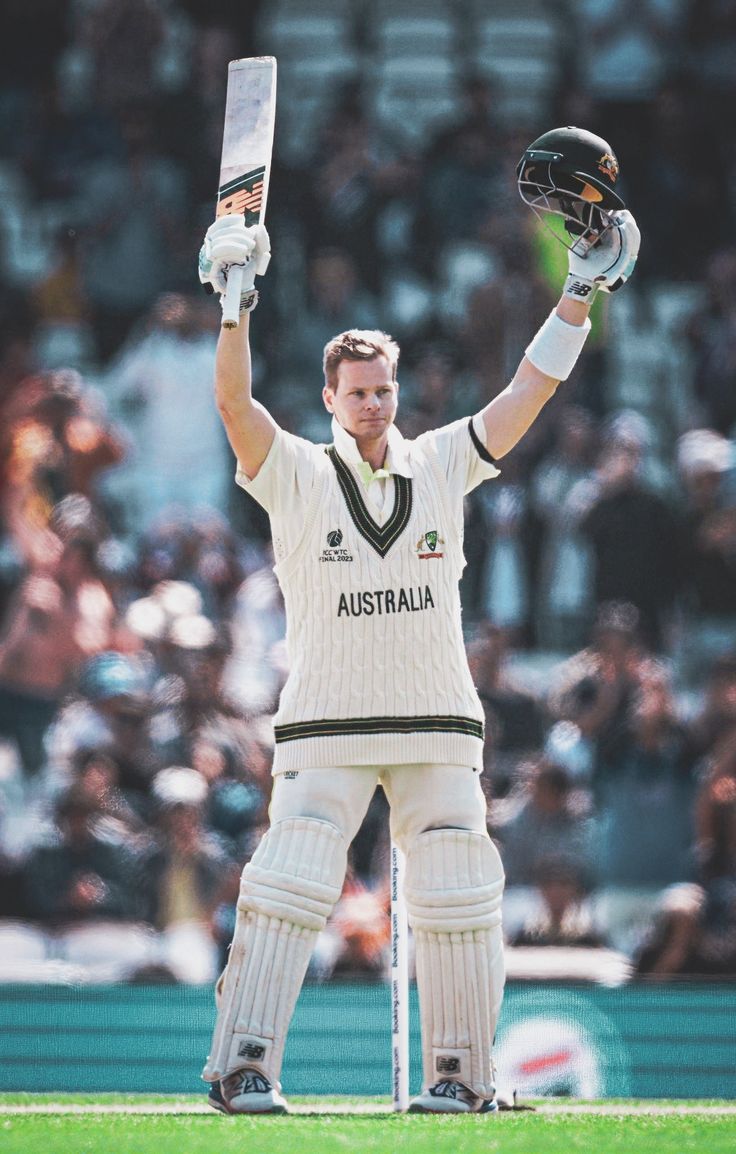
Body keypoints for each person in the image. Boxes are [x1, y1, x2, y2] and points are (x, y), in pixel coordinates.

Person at [196, 127, 640, 1115]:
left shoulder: (440, 459)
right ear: (328, 397)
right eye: (356, 392)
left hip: (436, 710)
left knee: (455, 881)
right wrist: (234, 306)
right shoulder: (299, 472)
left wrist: (577, 296)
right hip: (327, 714)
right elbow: (233, 406)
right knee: (296, 871)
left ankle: (463, 1077)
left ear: (398, 392)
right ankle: (243, 1063)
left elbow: (523, 397)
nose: (372, 403)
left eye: (384, 389)